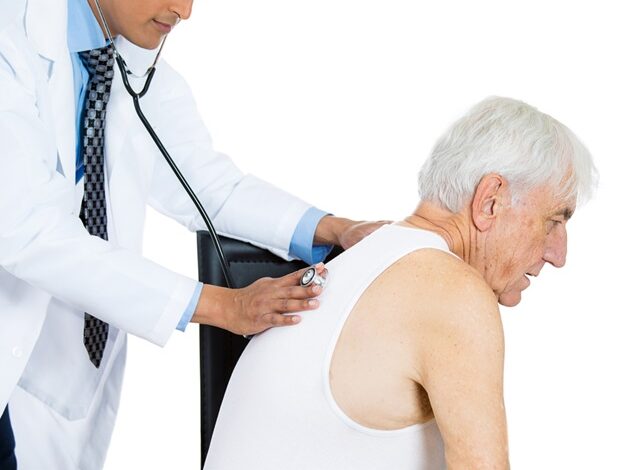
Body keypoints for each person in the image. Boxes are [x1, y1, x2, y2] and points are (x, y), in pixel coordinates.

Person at [0, 0, 386, 468]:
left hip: (35, 373)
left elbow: (206, 183)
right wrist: (225, 306)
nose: (184, 10)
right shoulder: (10, 45)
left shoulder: (123, 61)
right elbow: (28, 230)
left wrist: (336, 228)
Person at [204, 96, 598, 469]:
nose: (558, 254)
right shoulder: (450, 291)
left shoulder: (365, 261)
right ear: (490, 201)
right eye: (553, 221)